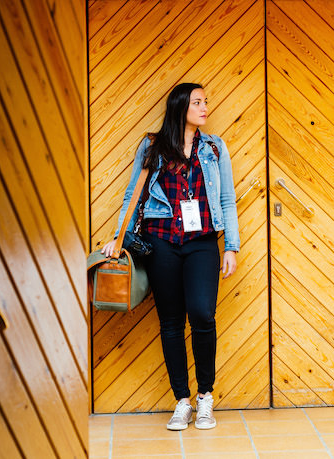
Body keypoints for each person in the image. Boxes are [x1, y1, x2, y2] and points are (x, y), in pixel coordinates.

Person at [102, 82, 239, 431]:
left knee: (202, 313)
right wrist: (118, 239)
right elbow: (133, 194)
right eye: (198, 102)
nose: (205, 107)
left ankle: (205, 396)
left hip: (202, 242)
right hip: (161, 242)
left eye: (205, 101)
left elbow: (226, 200)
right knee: (171, 322)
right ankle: (182, 401)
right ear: (180, 107)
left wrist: (232, 247)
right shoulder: (152, 147)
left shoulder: (214, 147)